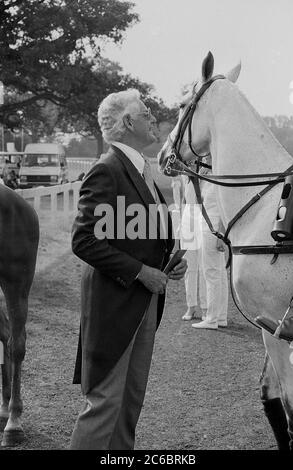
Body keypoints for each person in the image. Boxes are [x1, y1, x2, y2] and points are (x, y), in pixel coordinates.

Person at [70, 89, 187, 450]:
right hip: (115, 303)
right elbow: (84, 240)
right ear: (128, 122)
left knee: (129, 402)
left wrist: (166, 261)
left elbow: (130, 232)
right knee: (105, 403)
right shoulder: (106, 169)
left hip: (144, 301)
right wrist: (140, 271)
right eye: (147, 112)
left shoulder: (141, 168)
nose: (154, 117)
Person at [192, 159, 229, 330]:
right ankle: (220, 317)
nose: (204, 161)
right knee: (218, 272)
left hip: (212, 228)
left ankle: (212, 318)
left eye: (207, 158)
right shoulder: (210, 176)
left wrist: (221, 234)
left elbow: (224, 207)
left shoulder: (218, 178)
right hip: (209, 226)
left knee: (212, 272)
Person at [171, 172, 207, 321]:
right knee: (189, 265)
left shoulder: (206, 169)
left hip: (204, 216)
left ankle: (206, 308)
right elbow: (182, 198)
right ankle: (191, 306)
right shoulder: (184, 172)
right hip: (188, 215)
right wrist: (180, 221)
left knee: (204, 265)